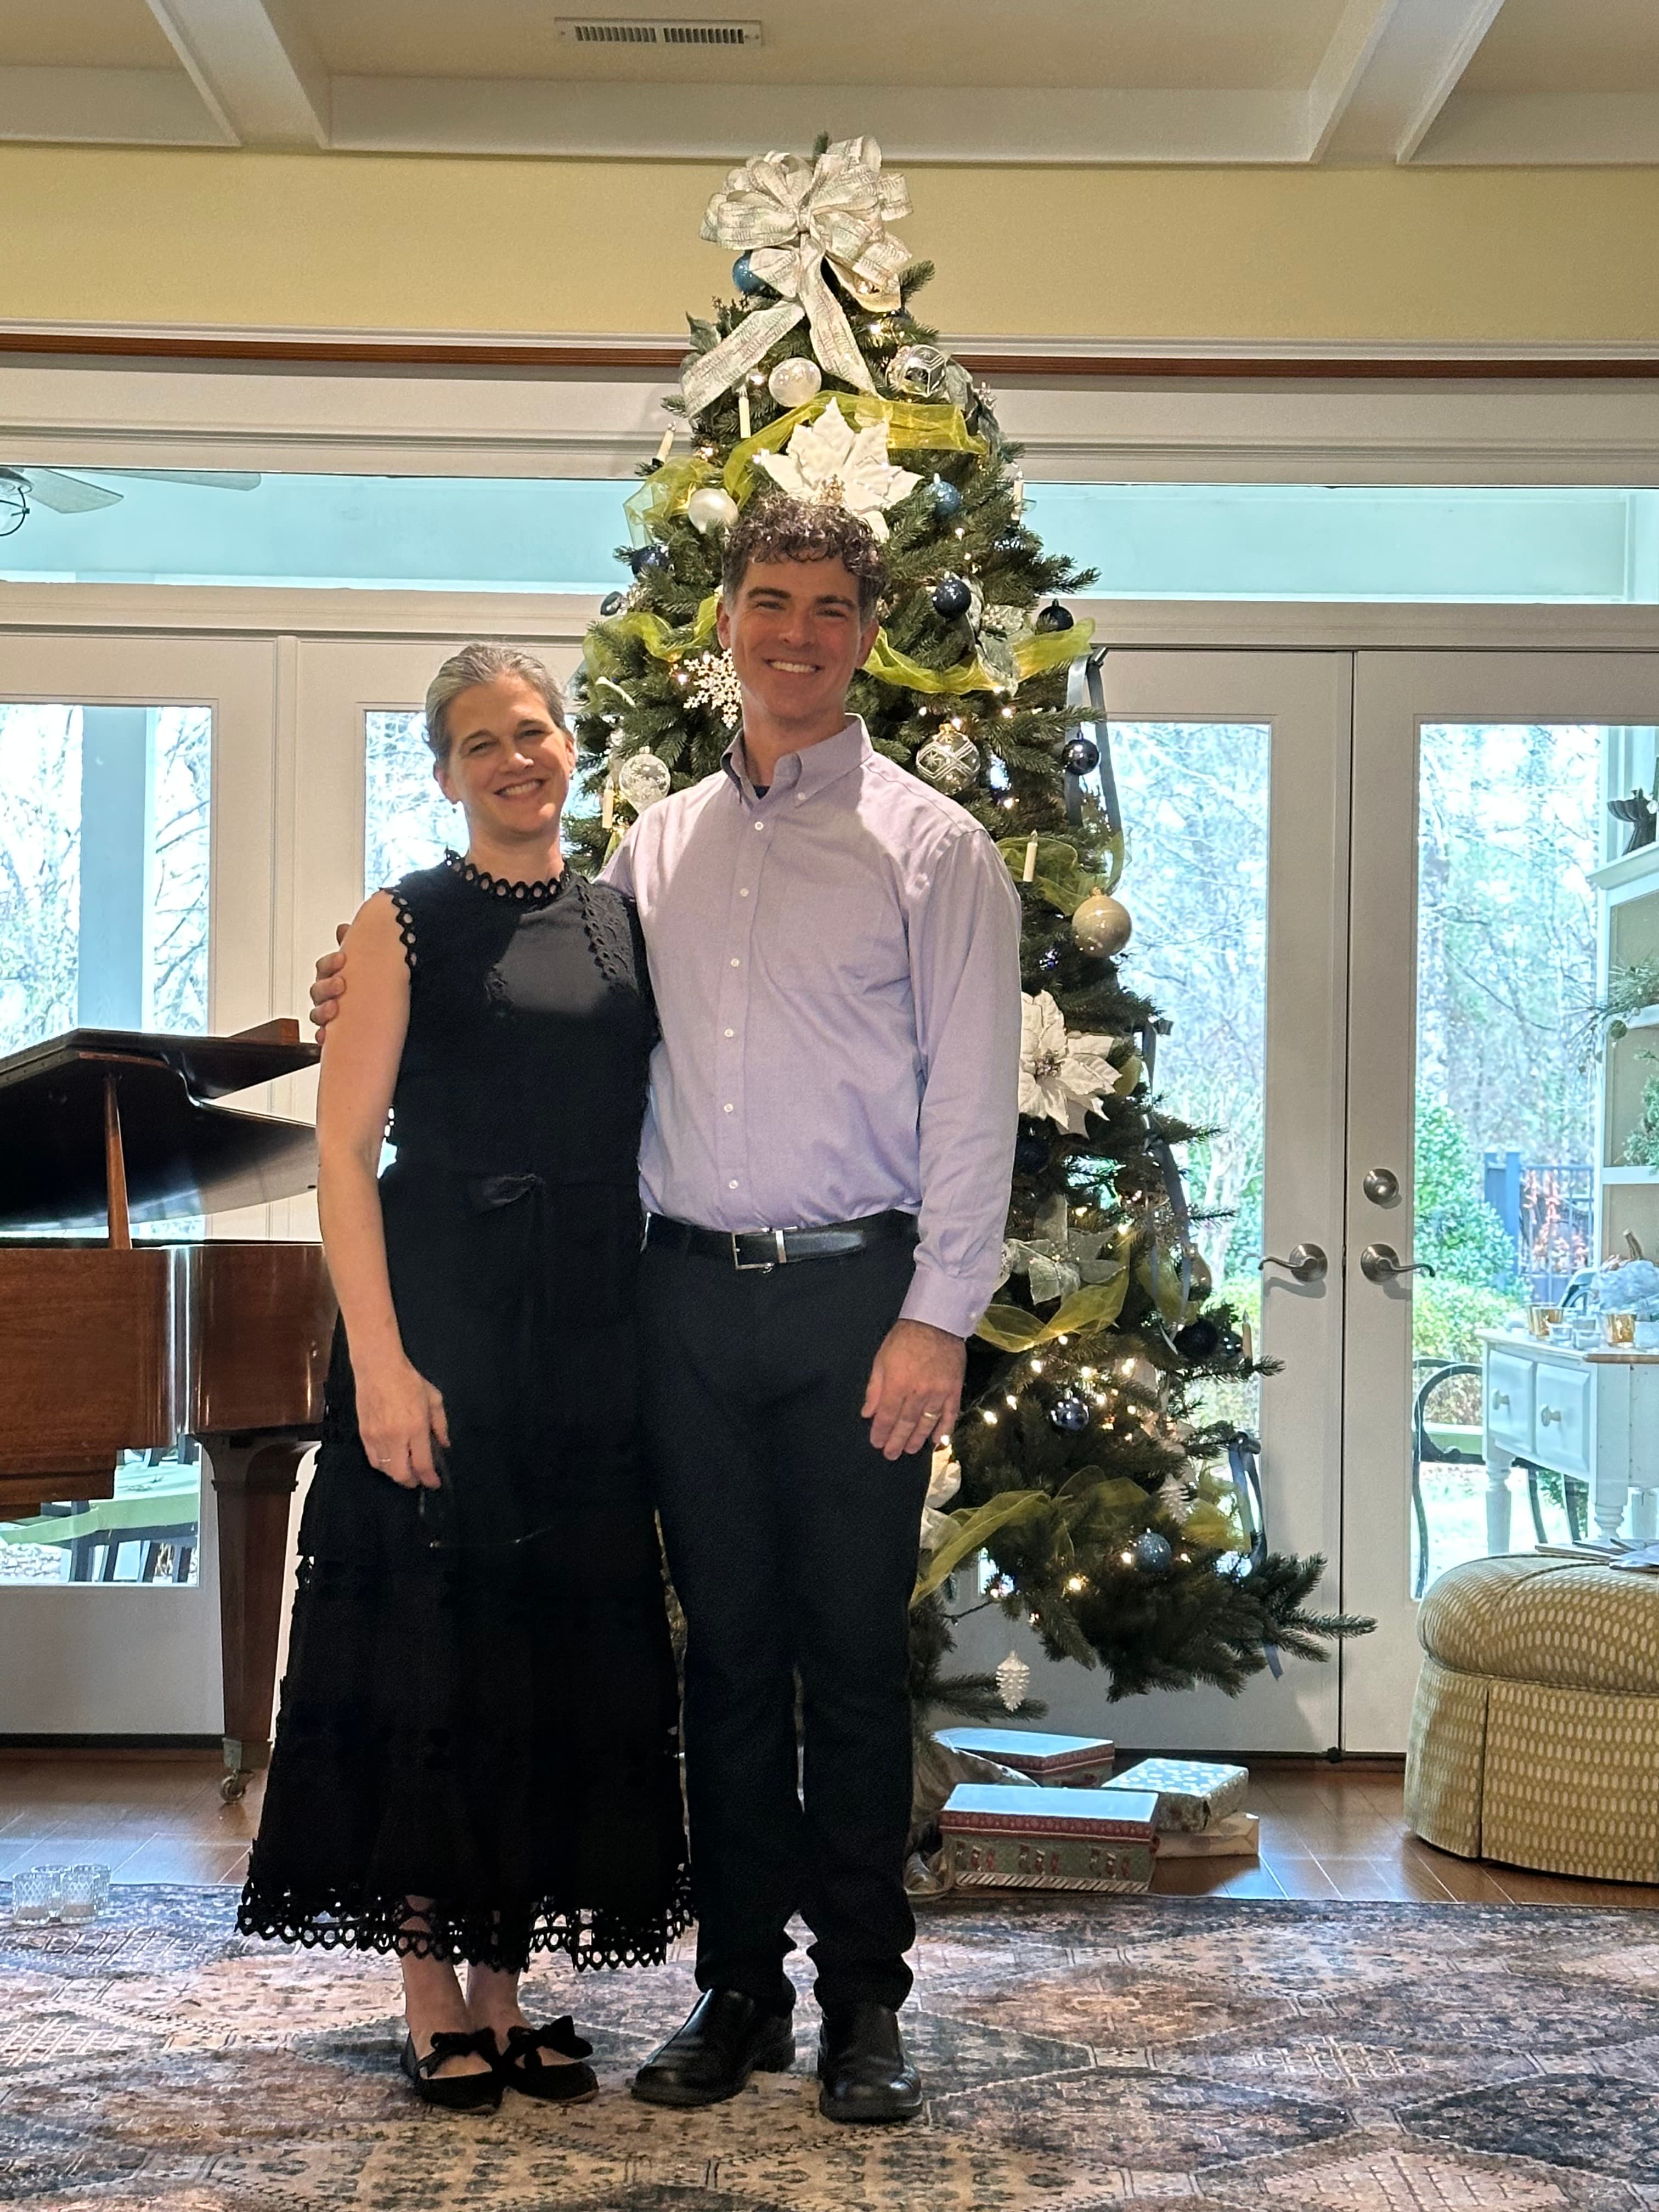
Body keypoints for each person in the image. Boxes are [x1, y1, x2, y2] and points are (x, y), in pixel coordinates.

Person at [313, 498, 1022, 2124]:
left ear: (863, 633)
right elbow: (532, 1021)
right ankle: (737, 1995)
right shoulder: (655, 850)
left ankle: (862, 2006)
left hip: (861, 1308)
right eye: (767, 601)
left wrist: (938, 1318)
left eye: (829, 609)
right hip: (680, 1313)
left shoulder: (936, 850)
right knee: (722, 1669)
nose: (795, 634)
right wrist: (356, 985)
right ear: (726, 625)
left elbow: (975, 1106)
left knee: (847, 1663)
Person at [243, 643, 690, 2113]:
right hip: (436, 1323)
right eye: (484, 740)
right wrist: (377, 1363)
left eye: (538, 729)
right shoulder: (400, 922)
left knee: (547, 1657)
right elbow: (343, 1153)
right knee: (430, 1653)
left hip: (585, 1337)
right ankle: (428, 1984)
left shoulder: (628, 921)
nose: (519, 755)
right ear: (444, 774)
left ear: (570, 748)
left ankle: (509, 1986)